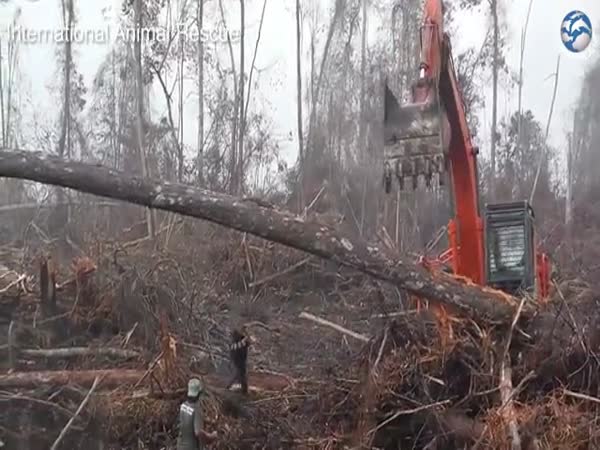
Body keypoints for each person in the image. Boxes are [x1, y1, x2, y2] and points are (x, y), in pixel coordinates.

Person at [176, 378, 216, 450]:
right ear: (199, 394)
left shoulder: (183, 406)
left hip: (180, 446)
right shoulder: (197, 410)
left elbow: (186, 422)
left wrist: (205, 420)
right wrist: (211, 436)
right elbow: (198, 433)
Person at [227, 324, 252, 394]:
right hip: (239, 360)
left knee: (240, 374)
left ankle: (243, 390)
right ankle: (244, 391)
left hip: (240, 360)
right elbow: (234, 348)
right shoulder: (236, 341)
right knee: (241, 375)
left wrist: (247, 334)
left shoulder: (240, 340)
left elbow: (248, 342)